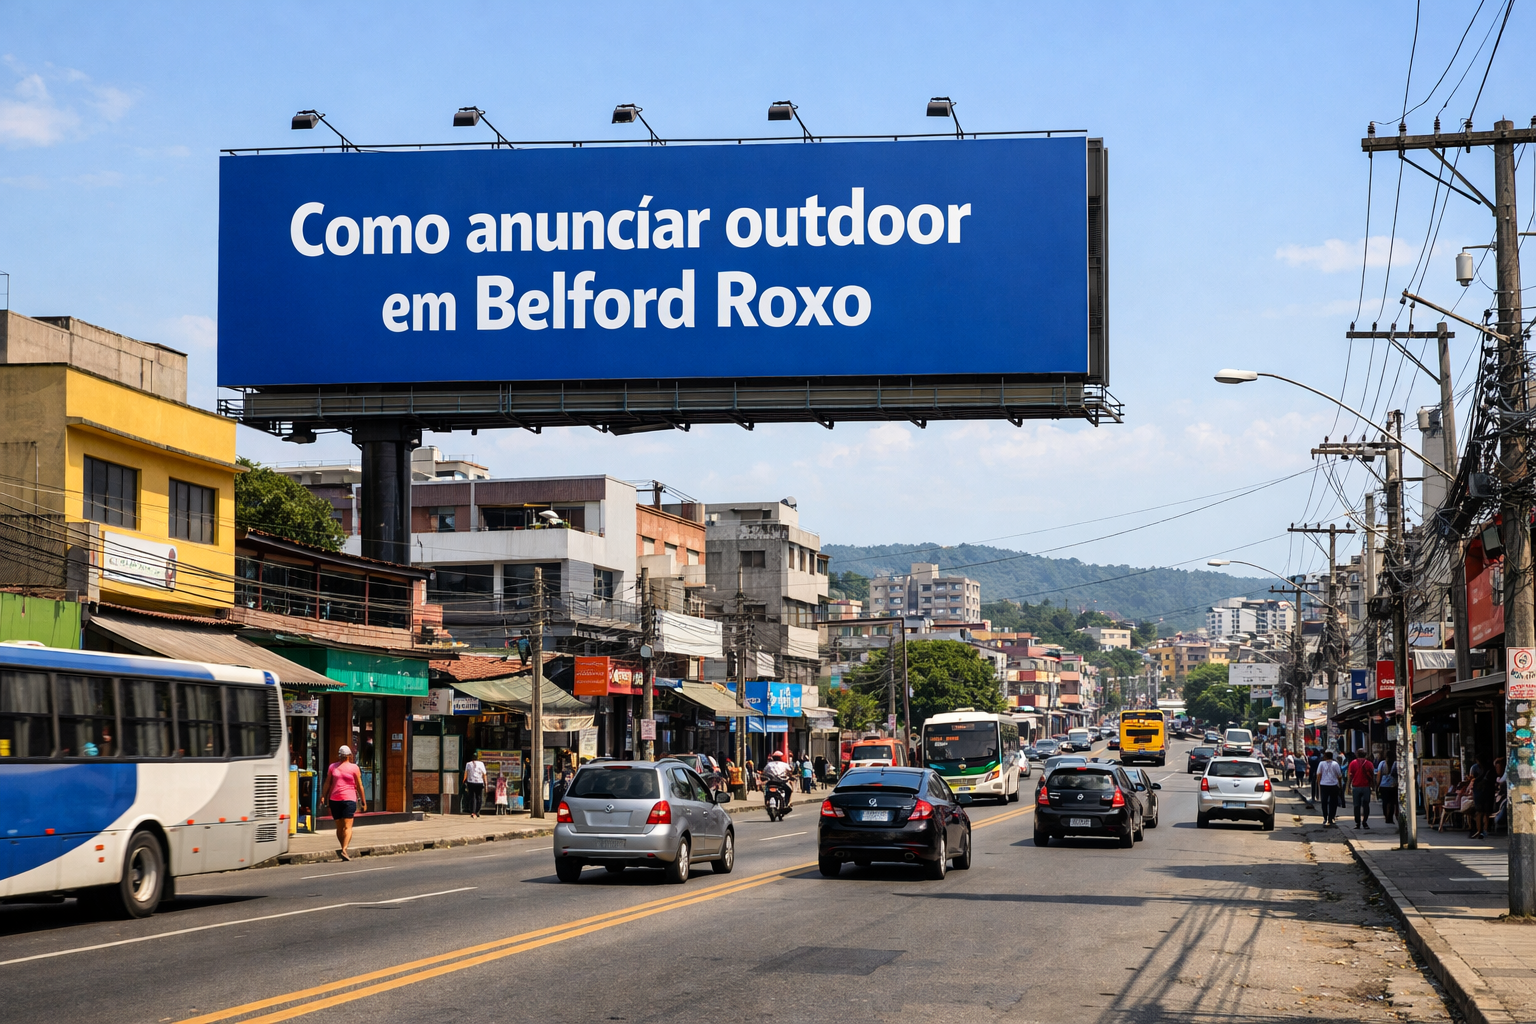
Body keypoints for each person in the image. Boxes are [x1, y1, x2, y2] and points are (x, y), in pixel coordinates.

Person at [327, 744, 366, 861]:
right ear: (349, 755)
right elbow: (360, 786)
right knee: (345, 827)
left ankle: (343, 849)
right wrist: (364, 801)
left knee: (341, 827)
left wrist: (323, 796)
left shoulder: (334, 767)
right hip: (343, 800)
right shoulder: (351, 767)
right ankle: (344, 848)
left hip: (338, 799)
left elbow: (327, 783)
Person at [1346, 748, 1376, 829]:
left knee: (1356, 806)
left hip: (1356, 787)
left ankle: (1357, 823)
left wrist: (1348, 786)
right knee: (1366, 805)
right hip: (1366, 787)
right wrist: (1373, 787)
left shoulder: (1352, 763)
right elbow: (1372, 776)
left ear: (1357, 754)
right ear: (1365, 755)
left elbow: (1350, 776)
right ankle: (1365, 822)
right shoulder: (1369, 764)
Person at [1316, 750, 1344, 826]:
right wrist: (1340, 785)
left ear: (1325, 756)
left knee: (1324, 802)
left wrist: (1318, 784)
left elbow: (1318, 774)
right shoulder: (1335, 764)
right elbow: (1339, 776)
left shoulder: (1321, 764)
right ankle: (1331, 818)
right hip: (1334, 785)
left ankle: (1325, 818)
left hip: (1324, 785)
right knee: (1333, 802)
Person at [1470, 754, 1495, 840]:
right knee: (1485, 812)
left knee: (1480, 812)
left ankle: (1480, 830)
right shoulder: (1490, 768)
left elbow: (1472, 778)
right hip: (1487, 791)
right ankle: (1484, 830)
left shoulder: (1476, 768)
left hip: (1480, 790)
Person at [463, 750, 487, 818]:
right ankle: (477, 811)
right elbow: (484, 774)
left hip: (471, 782)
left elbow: (466, 774)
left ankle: (473, 811)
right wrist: (486, 784)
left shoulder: (468, 764)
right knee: (479, 797)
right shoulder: (481, 764)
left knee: (472, 797)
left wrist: (463, 781)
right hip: (479, 782)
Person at [1377, 752, 1398, 826]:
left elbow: (1379, 775)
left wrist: (1378, 785)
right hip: (1393, 785)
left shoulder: (1382, 763)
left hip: (1383, 785)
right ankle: (1390, 818)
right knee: (1392, 802)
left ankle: (1386, 816)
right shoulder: (1396, 764)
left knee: (1385, 802)